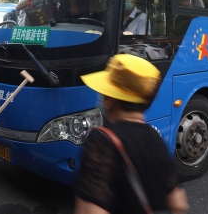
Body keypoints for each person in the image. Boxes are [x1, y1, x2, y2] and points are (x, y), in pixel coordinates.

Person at [74, 54, 189, 214]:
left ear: (110, 99)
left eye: (104, 92)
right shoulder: (156, 138)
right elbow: (178, 204)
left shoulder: (101, 142)